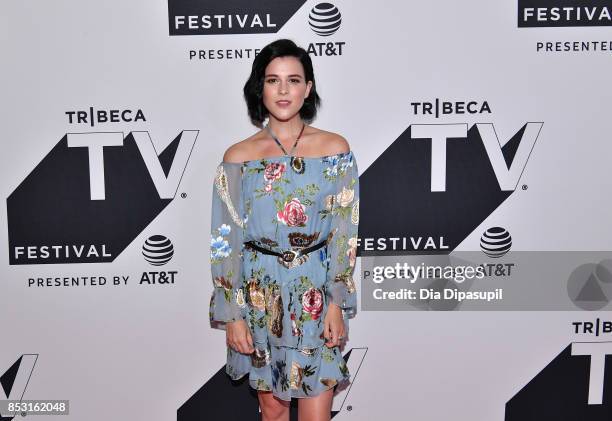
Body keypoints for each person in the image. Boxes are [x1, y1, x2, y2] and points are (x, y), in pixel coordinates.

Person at [209, 38, 359, 421]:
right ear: (260, 88)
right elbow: (226, 244)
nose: (283, 90)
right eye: (273, 80)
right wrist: (234, 315)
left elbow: (345, 233)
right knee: (272, 413)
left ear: (308, 88)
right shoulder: (238, 157)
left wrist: (337, 303)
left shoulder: (334, 149)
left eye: (293, 80)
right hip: (261, 297)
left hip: (316, 293)